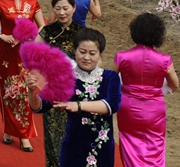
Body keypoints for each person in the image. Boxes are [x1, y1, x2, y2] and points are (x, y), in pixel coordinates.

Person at [28, 28, 122, 167]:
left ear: (100, 54)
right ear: (75, 51)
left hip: (102, 148)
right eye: (82, 52)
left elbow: (112, 105)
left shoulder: (109, 77)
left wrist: (77, 105)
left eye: (92, 53)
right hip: (73, 148)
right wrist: (31, 91)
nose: (86, 57)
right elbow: (40, 106)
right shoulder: (64, 77)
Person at [0, 0, 45, 153]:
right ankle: (8, 130)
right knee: (8, 92)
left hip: (26, 54)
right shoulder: (1, 3)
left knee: (25, 92)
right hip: (6, 54)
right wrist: (3, 36)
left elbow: (42, 25)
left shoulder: (33, 3)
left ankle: (24, 135)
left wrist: (28, 35)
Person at [113, 13, 179, 167]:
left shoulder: (122, 57)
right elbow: (174, 84)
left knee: (129, 144)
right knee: (155, 145)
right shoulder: (164, 60)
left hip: (127, 106)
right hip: (154, 108)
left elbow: (110, 80)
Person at [34, 0, 82, 167]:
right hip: (53, 91)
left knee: (75, 137)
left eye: (66, 8)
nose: (62, 13)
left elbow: (92, 61)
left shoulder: (81, 33)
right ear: (53, 9)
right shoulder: (47, 32)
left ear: (74, 8)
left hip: (76, 91)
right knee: (53, 137)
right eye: (58, 8)